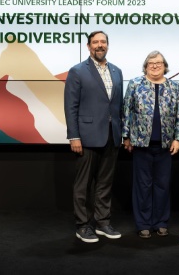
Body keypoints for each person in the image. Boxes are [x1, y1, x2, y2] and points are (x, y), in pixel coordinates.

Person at [64, 30, 124, 243]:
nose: (100, 45)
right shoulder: (78, 71)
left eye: (103, 42)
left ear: (108, 45)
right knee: (83, 184)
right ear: (88, 46)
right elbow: (71, 106)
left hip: (111, 136)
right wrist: (74, 136)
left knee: (105, 183)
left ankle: (103, 222)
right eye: (95, 42)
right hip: (87, 137)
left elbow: (119, 107)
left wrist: (122, 133)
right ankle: (82, 225)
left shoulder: (117, 71)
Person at [122, 50, 179, 239]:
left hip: (165, 145)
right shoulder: (135, 84)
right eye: (151, 63)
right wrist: (126, 136)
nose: (155, 66)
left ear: (165, 66)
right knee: (142, 185)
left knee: (162, 185)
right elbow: (127, 112)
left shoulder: (174, 87)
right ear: (145, 66)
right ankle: (143, 224)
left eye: (158, 63)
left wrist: (177, 138)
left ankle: (161, 222)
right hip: (141, 144)